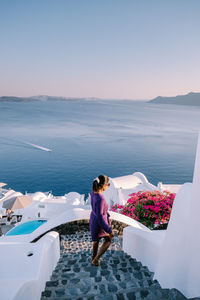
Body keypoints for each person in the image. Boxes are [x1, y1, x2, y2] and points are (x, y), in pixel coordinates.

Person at [89, 174, 114, 266]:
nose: (108, 186)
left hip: (93, 219)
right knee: (108, 239)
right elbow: (100, 216)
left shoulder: (93, 192)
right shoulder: (101, 199)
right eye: (107, 184)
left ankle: (93, 257)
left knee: (96, 240)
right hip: (100, 222)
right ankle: (96, 259)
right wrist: (109, 230)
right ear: (103, 185)